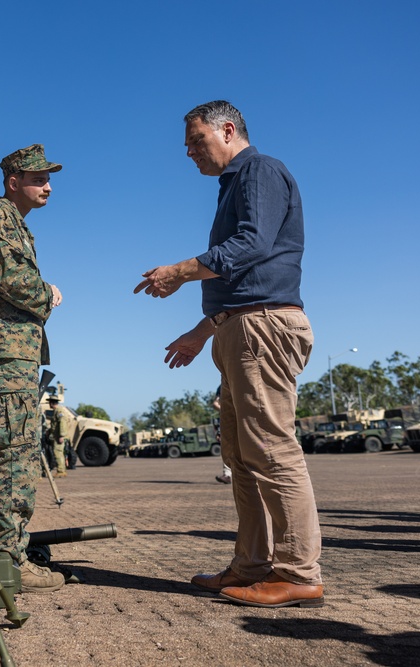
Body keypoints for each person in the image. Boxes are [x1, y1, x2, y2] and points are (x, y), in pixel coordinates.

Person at [133, 100, 323, 608]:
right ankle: (252, 565)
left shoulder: (259, 170)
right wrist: (202, 330)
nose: (190, 152)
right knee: (241, 456)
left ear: (228, 129)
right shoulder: (234, 184)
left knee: (271, 450)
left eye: (196, 140)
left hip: (262, 328)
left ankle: (299, 571)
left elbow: (252, 246)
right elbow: (242, 282)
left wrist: (180, 270)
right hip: (240, 327)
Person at [0, 144, 65, 594]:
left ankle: (5, 551)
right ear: (13, 181)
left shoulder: (11, 223)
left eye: (47, 178)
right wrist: (48, 294)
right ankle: (5, 560)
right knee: (13, 456)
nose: (48, 186)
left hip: (8, 357)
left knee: (15, 451)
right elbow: (4, 276)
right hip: (1, 357)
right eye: (39, 178)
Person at [47, 396, 73, 477]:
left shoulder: (59, 411)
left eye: (49, 402)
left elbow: (62, 423)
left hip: (59, 436)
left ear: (51, 403)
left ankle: (61, 471)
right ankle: (62, 470)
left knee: (58, 452)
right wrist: (49, 431)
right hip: (57, 435)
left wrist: (61, 435)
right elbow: (55, 425)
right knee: (59, 453)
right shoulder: (57, 411)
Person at [212, 385, 231, 484]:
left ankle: (228, 475)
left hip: (230, 419)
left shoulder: (222, 385)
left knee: (228, 448)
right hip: (233, 419)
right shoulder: (222, 386)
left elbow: (215, 403)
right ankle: (227, 475)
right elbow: (215, 403)